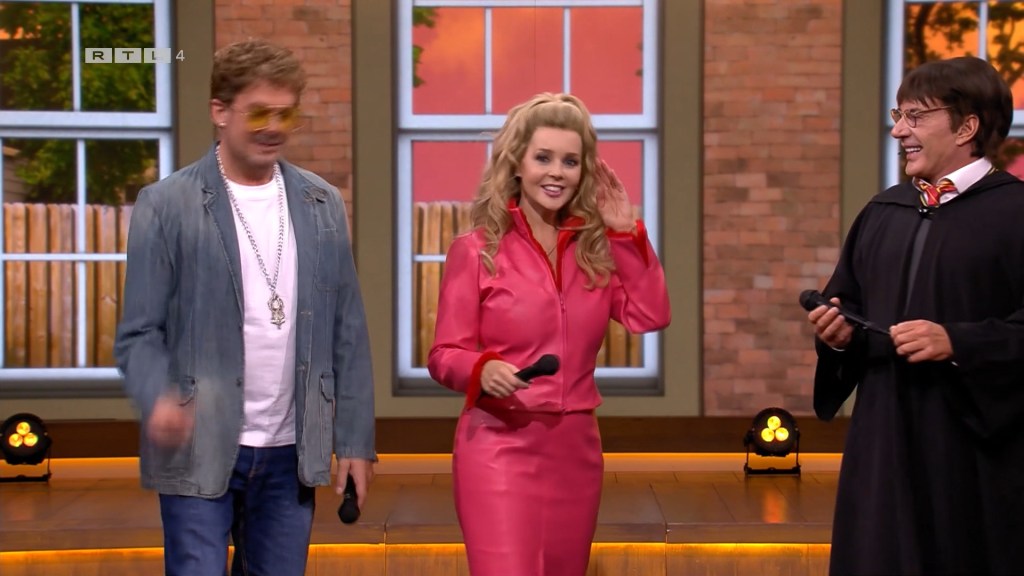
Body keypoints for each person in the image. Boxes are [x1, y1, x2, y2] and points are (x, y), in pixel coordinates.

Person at [114, 38, 376, 576]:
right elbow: (139, 332)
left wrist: (355, 441)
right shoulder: (166, 205)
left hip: (290, 452)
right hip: (199, 441)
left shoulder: (322, 204)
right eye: (259, 112)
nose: (273, 127)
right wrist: (158, 396)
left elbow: (347, 330)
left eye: (286, 114)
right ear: (220, 110)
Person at [427, 92, 671, 575]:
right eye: (543, 158)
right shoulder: (476, 251)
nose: (556, 172)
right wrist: (481, 368)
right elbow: (443, 354)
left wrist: (626, 234)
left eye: (570, 161)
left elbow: (650, 315)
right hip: (498, 444)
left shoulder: (595, 251)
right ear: (517, 163)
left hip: (575, 449)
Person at [807, 56, 1024, 575]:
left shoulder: (1016, 214)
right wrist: (837, 337)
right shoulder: (884, 212)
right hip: (882, 443)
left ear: (966, 127)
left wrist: (958, 342)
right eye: (897, 115)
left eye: (916, 116)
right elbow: (847, 305)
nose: (898, 130)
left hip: (972, 454)